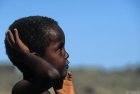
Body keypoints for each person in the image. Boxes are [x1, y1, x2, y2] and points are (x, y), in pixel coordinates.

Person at [5, 16, 75, 94]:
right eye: (59, 49)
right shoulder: (21, 89)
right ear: (35, 57)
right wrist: (25, 54)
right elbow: (51, 76)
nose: (67, 55)